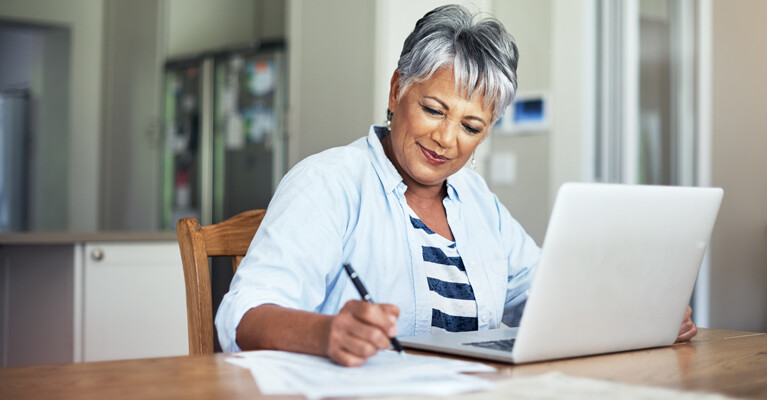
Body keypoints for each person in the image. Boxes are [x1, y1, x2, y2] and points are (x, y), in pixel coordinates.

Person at [215, 4, 697, 367]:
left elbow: (544, 296)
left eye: (471, 127)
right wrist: (325, 333)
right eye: (433, 110)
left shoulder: (476, 199)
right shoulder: (329, 182)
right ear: (396, 90)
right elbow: (241, 316)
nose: (446, 140)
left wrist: (640, 314)